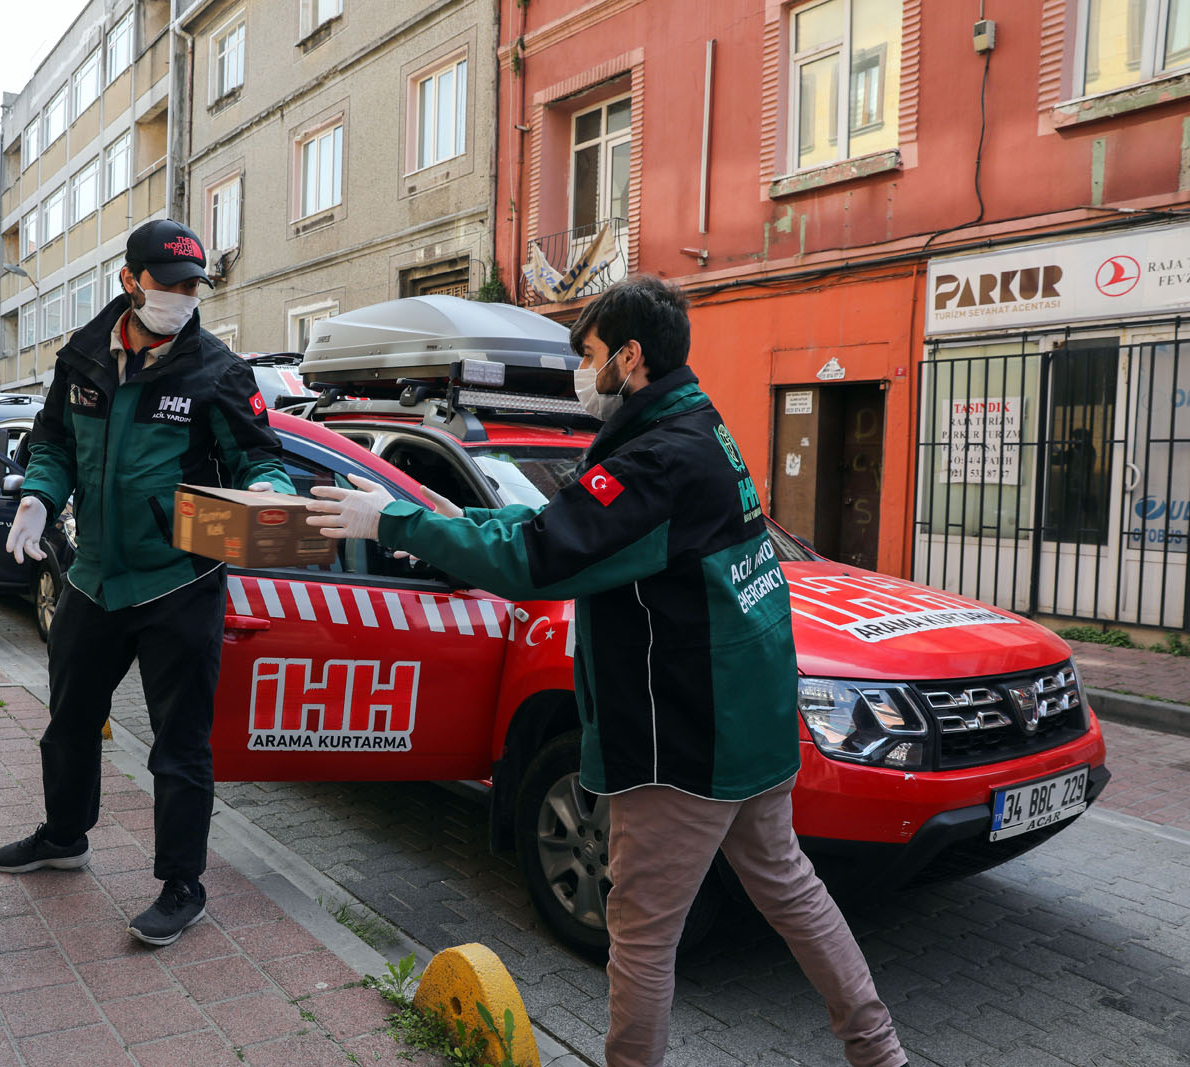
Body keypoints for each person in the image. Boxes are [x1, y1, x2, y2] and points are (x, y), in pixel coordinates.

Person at [305, 276, 909, 1067]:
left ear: (629, 356)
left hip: (684, 735)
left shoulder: (656, 456)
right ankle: (879, 1049)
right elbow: (569, 523)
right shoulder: (694, 426)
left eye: (587, 355)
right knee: (791, 888)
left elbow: (544, 556)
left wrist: (393, 518)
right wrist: (457, 524)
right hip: (748, 721)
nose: (580, 375)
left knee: (642, 937)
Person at [0, 219, 293, 947]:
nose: (185, 297)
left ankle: (181, 882)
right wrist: (37, 495)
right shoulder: (84, 356)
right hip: (92, 578)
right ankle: (65, 835)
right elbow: (53, 440)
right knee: (68, 721)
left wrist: (269, 495)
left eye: (195, 287)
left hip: (179, 582)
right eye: (172, 284)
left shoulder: (217, 369)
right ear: (131, 282)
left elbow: (259, 457)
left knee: (179, 745)